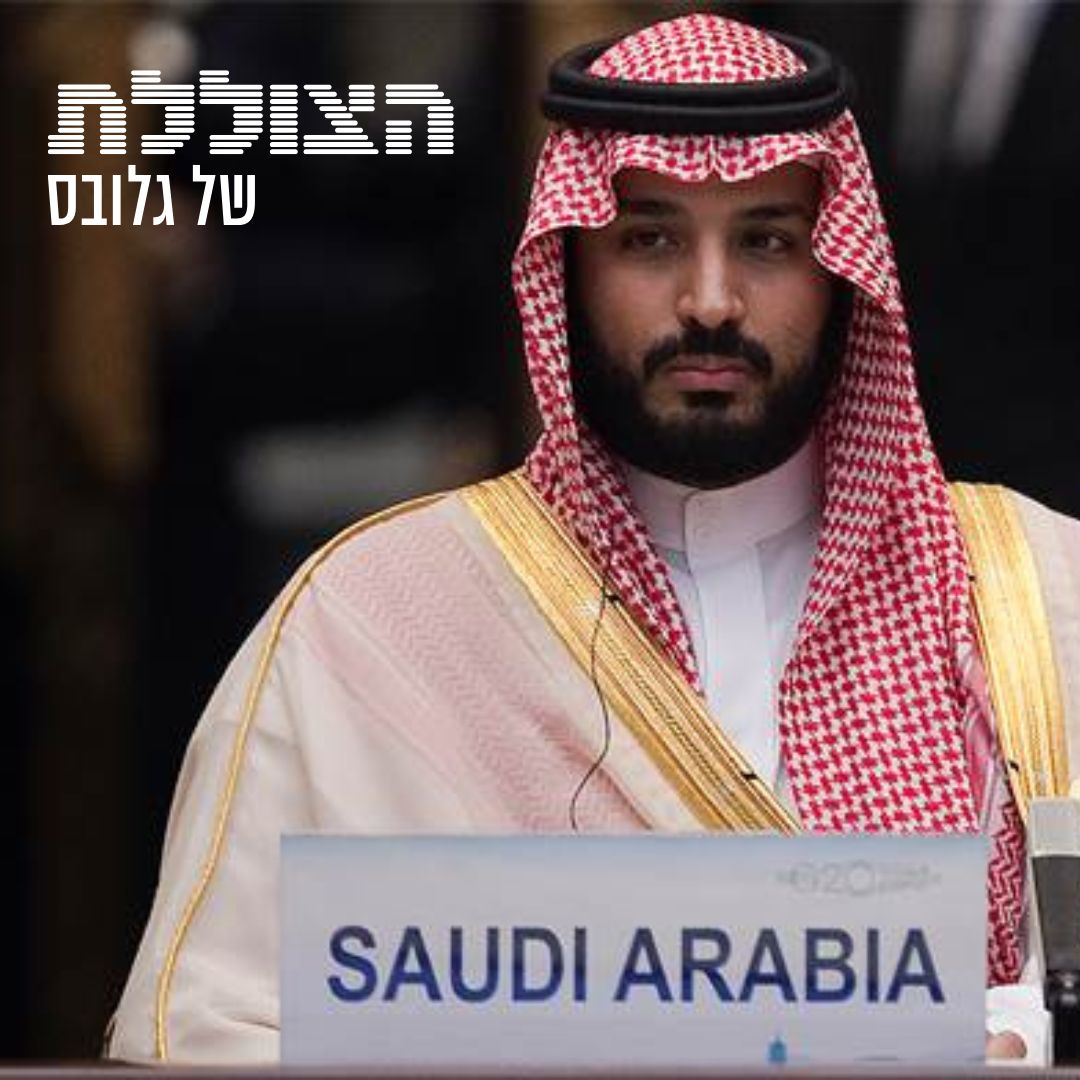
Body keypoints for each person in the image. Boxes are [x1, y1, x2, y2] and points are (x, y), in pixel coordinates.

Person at [108, 13, 1080, 1065]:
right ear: (565, 268)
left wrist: (1005, 1036)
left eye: (767, 240)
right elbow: (211, 1034)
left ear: (842, 271)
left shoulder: (1041, 594)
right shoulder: (369, 625)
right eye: (649, 239)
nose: (712, 302)